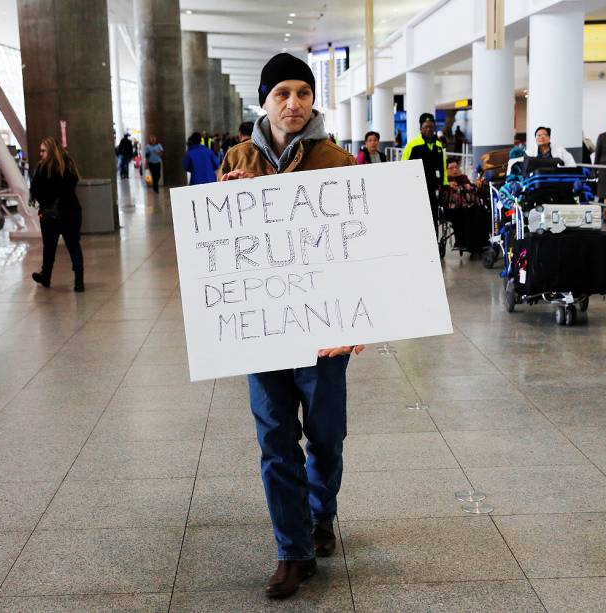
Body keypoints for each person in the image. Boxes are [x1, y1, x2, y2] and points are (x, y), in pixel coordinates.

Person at [218, 52, 364, 600]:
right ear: (264, 101)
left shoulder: (338, 161)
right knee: (275, 439)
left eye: (303, 92)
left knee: (326, 436)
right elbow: (223, 248)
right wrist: (225, 198)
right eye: (283, 93)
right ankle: (292, 550)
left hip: (325, 329)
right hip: (263, 325)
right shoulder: (237, 157)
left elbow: (358, 249)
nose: (294, 103)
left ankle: (320, 514)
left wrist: (357, 319)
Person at [30, 137, 85, 292]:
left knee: (49, 247)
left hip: (50, 215)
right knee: (74, 246)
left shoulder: (42, 169)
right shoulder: (69, 165)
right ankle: (79, 281)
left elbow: (36, 192)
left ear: (51, 151)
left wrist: (42, 208)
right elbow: (72, 185)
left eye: (43, 150)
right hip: (72, 212)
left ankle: (46, 276)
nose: (40, 154)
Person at [402, 112, 448, 231]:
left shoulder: (438, 145)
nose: (428, 129)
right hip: (416, 189)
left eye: (431, 127)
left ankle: (434, 245)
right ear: (420, 128)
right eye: (426, 127)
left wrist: (445, 184)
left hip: (433, 189)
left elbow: (443, 165)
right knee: (418, 217)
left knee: (433, 217)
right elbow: (403, 165)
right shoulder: (412, 145)